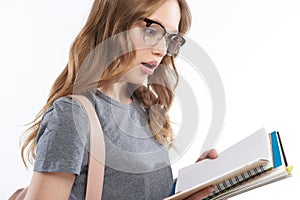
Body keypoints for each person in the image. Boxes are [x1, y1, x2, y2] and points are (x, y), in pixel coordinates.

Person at [19, 0, 218, 199]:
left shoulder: (145, 109)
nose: (162, 50)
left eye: (169, 37)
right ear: (114, 25)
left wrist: (189, 188)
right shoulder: (72, 116)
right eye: (151, 31)